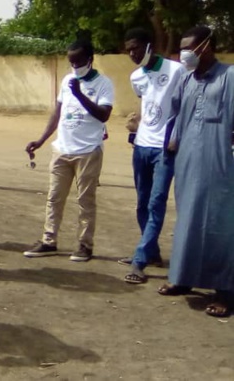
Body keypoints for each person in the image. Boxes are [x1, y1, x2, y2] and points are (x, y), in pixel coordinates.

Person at [159, 25, 234, 318]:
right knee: (188, 220)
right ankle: (183, 278)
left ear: (207, 47)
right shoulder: (187, 79)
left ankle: (226, 292)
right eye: (182, 49)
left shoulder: (229, 76)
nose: (184, 54)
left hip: (220, 163)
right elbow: (177, 116)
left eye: (189, 48)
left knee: (219, 226)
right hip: (188, 160)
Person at [22, 39, 114, 262]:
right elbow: (58, 113)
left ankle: (84, 245)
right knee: (54, 198)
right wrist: (42, 139)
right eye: (71, 62)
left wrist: (81, 94)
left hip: (88, 151)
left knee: (85, 201)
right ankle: (48, 241)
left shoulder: (104, 83)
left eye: (78, 61)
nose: (74, 66)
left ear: (90, 60)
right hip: (62, 149)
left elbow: (104, 115)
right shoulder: (67, 80)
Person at [120, 28, 185, 284]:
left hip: (164, 149)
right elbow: (146, 104)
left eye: (136, 48)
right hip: (142, 146)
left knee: (157, 203)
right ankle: (153, 252)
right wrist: (135, 129)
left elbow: (183, 106)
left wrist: (176, 136)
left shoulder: (176, 70)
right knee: (142, 203)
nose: (132, 53)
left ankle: (139, 261)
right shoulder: (136, 76)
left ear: (149, 45)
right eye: (128, 50)